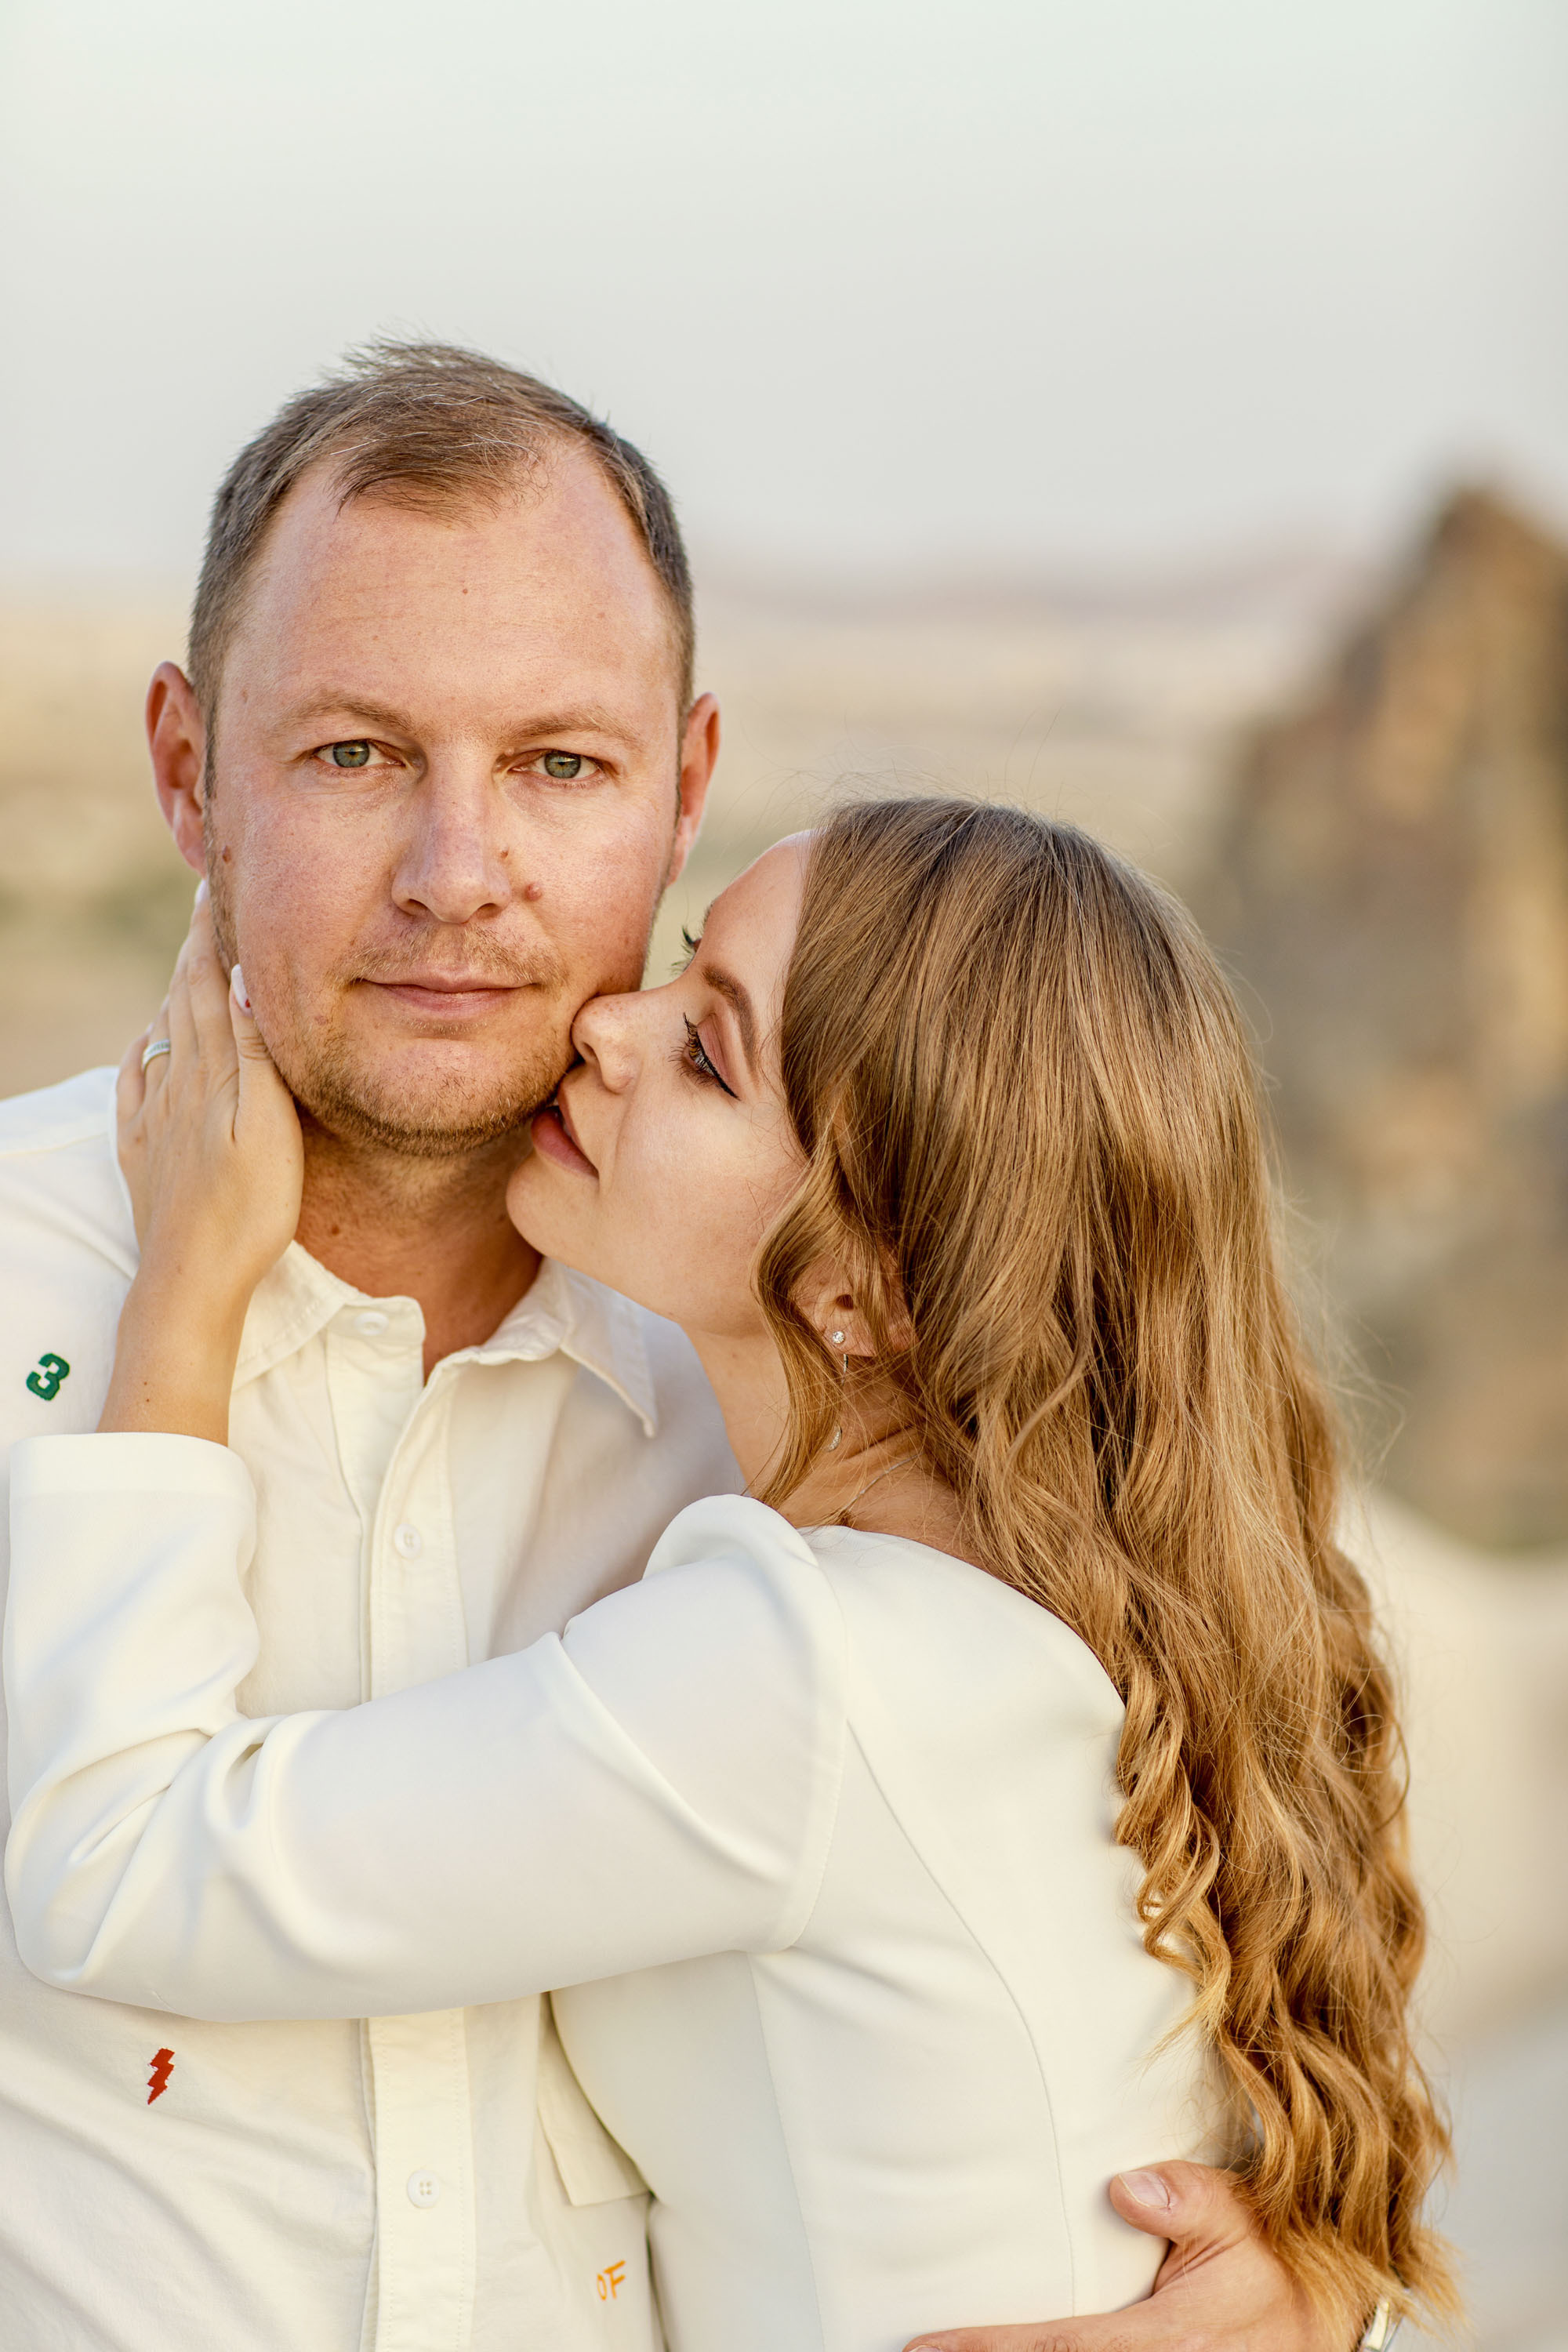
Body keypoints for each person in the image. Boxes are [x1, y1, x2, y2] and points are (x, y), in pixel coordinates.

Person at [0, 339, 1366, 2352]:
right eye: (356, 755)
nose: (460, 876)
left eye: (558, 764)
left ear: (686, 785)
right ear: (189, 770)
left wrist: (1314, 2280)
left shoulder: (777, 1388)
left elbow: (1214, 1886)